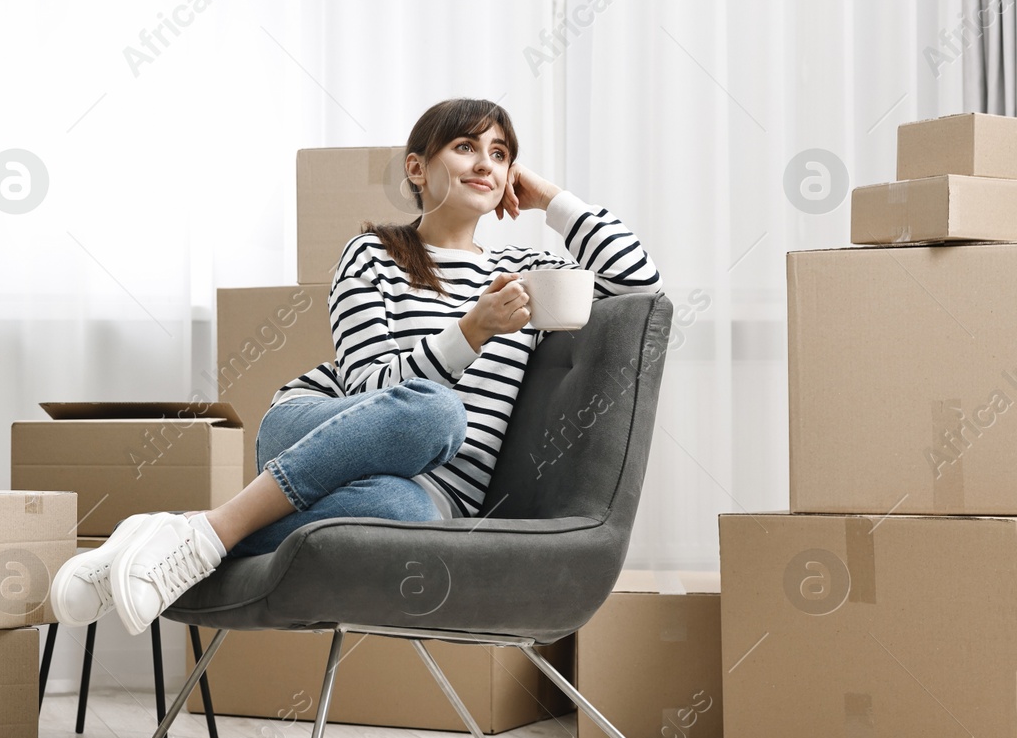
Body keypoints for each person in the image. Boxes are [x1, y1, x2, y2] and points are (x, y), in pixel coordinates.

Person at [50, 97, 663, 636]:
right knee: (436, 410)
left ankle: (163, 540)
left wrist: (550, 198)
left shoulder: (526, 271)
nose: (485, 163)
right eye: (465, 146)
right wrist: (472, 331)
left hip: (431, 489)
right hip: (312, 431)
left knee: (407, 515)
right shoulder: (373, 254)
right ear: (417, 168)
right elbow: (374, 390)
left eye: (500, 154)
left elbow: (640, 282)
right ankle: (209, 534)